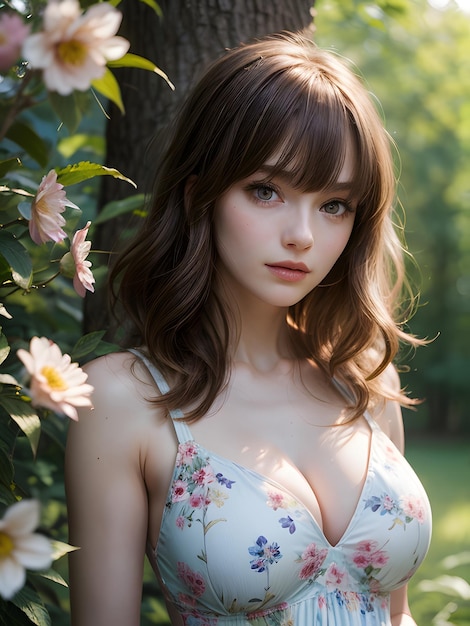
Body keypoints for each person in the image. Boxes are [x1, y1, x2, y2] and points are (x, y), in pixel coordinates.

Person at [65, 31, 432, 626]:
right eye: (266, 191)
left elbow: (398, 615)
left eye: (334, 204)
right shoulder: (122, 399)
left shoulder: (363, 378)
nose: (302, 235)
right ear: (198, 195)